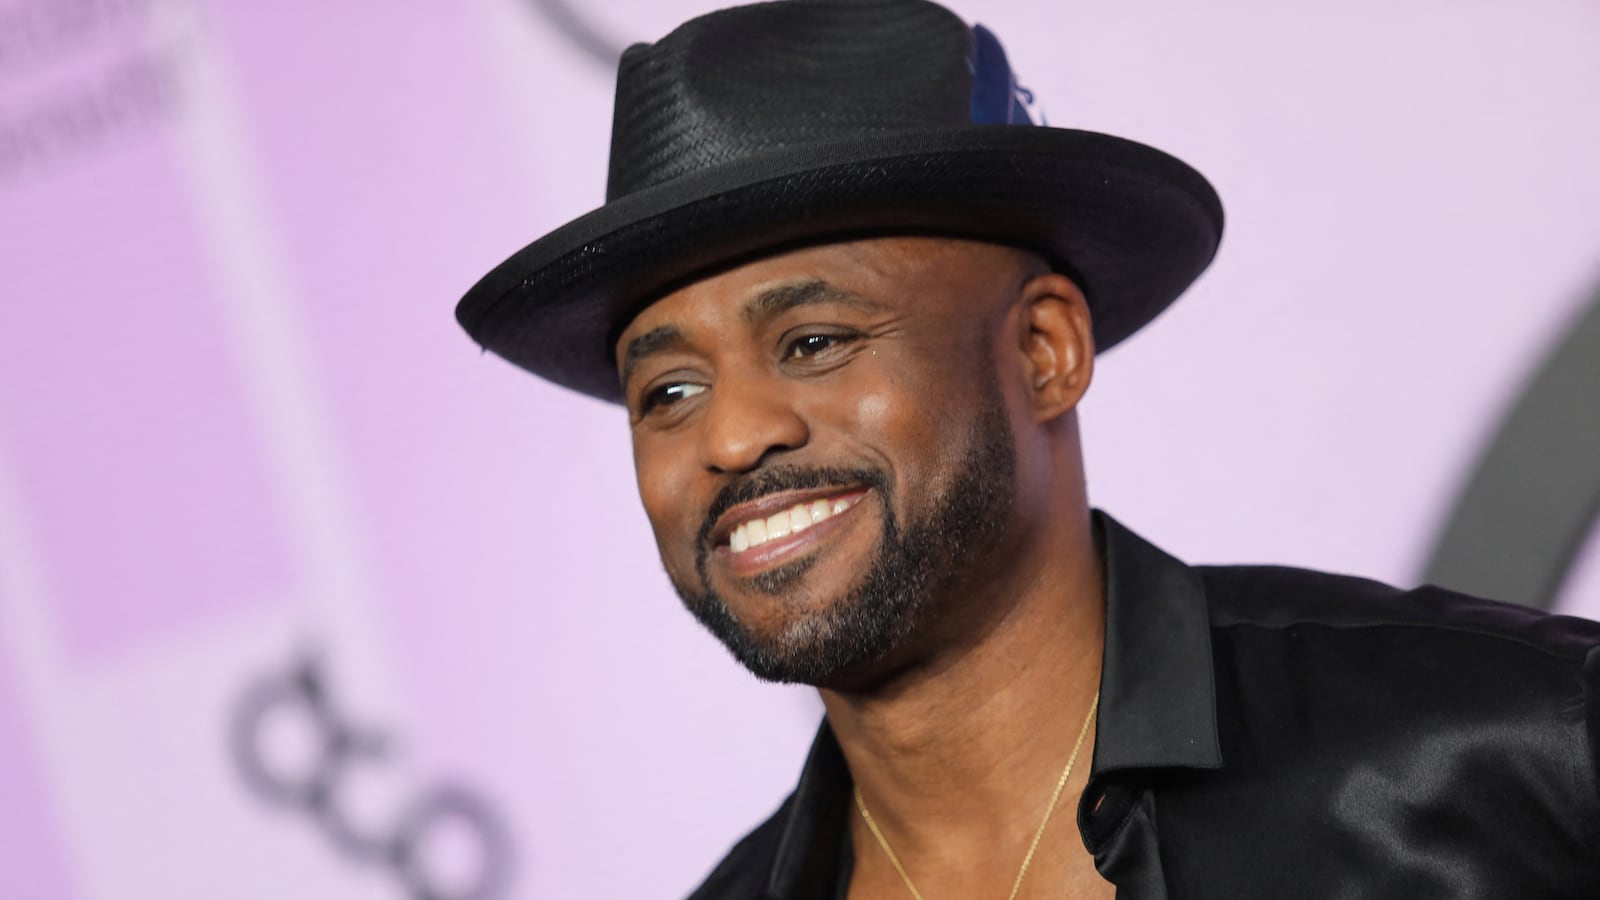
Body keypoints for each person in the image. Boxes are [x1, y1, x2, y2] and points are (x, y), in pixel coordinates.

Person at [456, 1, 1600, 896]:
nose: (733, 433)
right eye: (667, 389)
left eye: (811, 340)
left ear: (1045, 349)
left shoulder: (1516, 748)